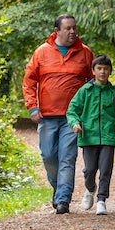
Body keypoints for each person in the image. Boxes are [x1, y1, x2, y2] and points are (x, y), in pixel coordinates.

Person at [23, 14, 94, 214]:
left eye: (74, 28)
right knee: (48, 156)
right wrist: (32, 107)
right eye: (68, 28)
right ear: (57, 31)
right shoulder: (41, 52)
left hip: (72, 118)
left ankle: (63, 198)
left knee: (67, 158)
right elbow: (29, 81)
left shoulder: (85, 53)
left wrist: (87, 111)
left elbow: (93, 83)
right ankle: (57, 187)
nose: (72, 32)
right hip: (46, 116)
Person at [67, 55, 115, 215]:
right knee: (89, 170)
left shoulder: (113, 93)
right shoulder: (85, 91)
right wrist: (74, 123)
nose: (102, 72)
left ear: (110, 71)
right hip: (88, 137)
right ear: (93, 71)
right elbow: (72, 110)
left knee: (105, 170)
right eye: (99, 68)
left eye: (106, 69)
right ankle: (90, 190)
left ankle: (101, 200)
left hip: (108, 138)